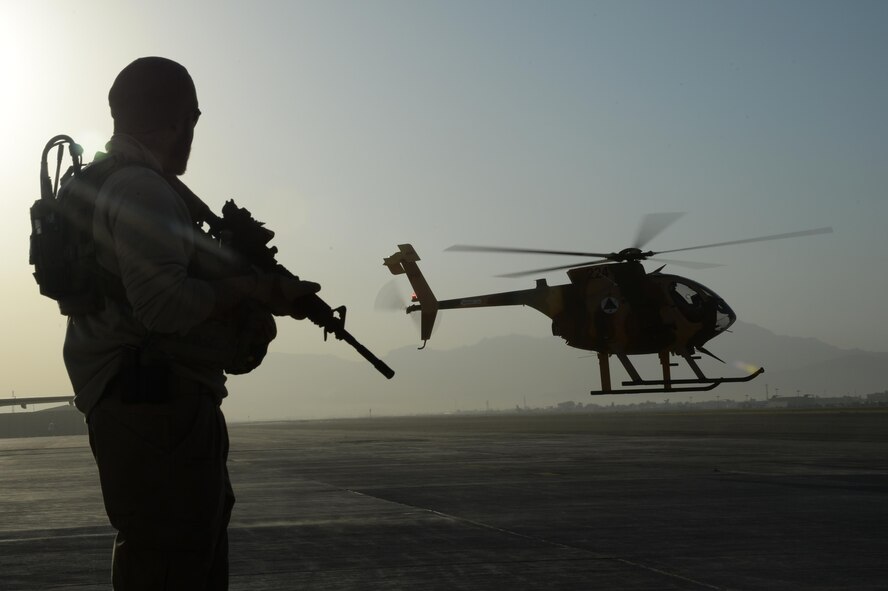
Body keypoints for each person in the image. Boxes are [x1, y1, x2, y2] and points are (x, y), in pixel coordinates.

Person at [63, 56, 318, 590]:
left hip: (151, 405)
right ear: (183, 120)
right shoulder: (142, 190)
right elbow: (163, 306)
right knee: (172, 557)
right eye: (192, 122)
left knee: (175, 549)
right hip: (155, 409)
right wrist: (255, 290)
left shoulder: (122, 184)